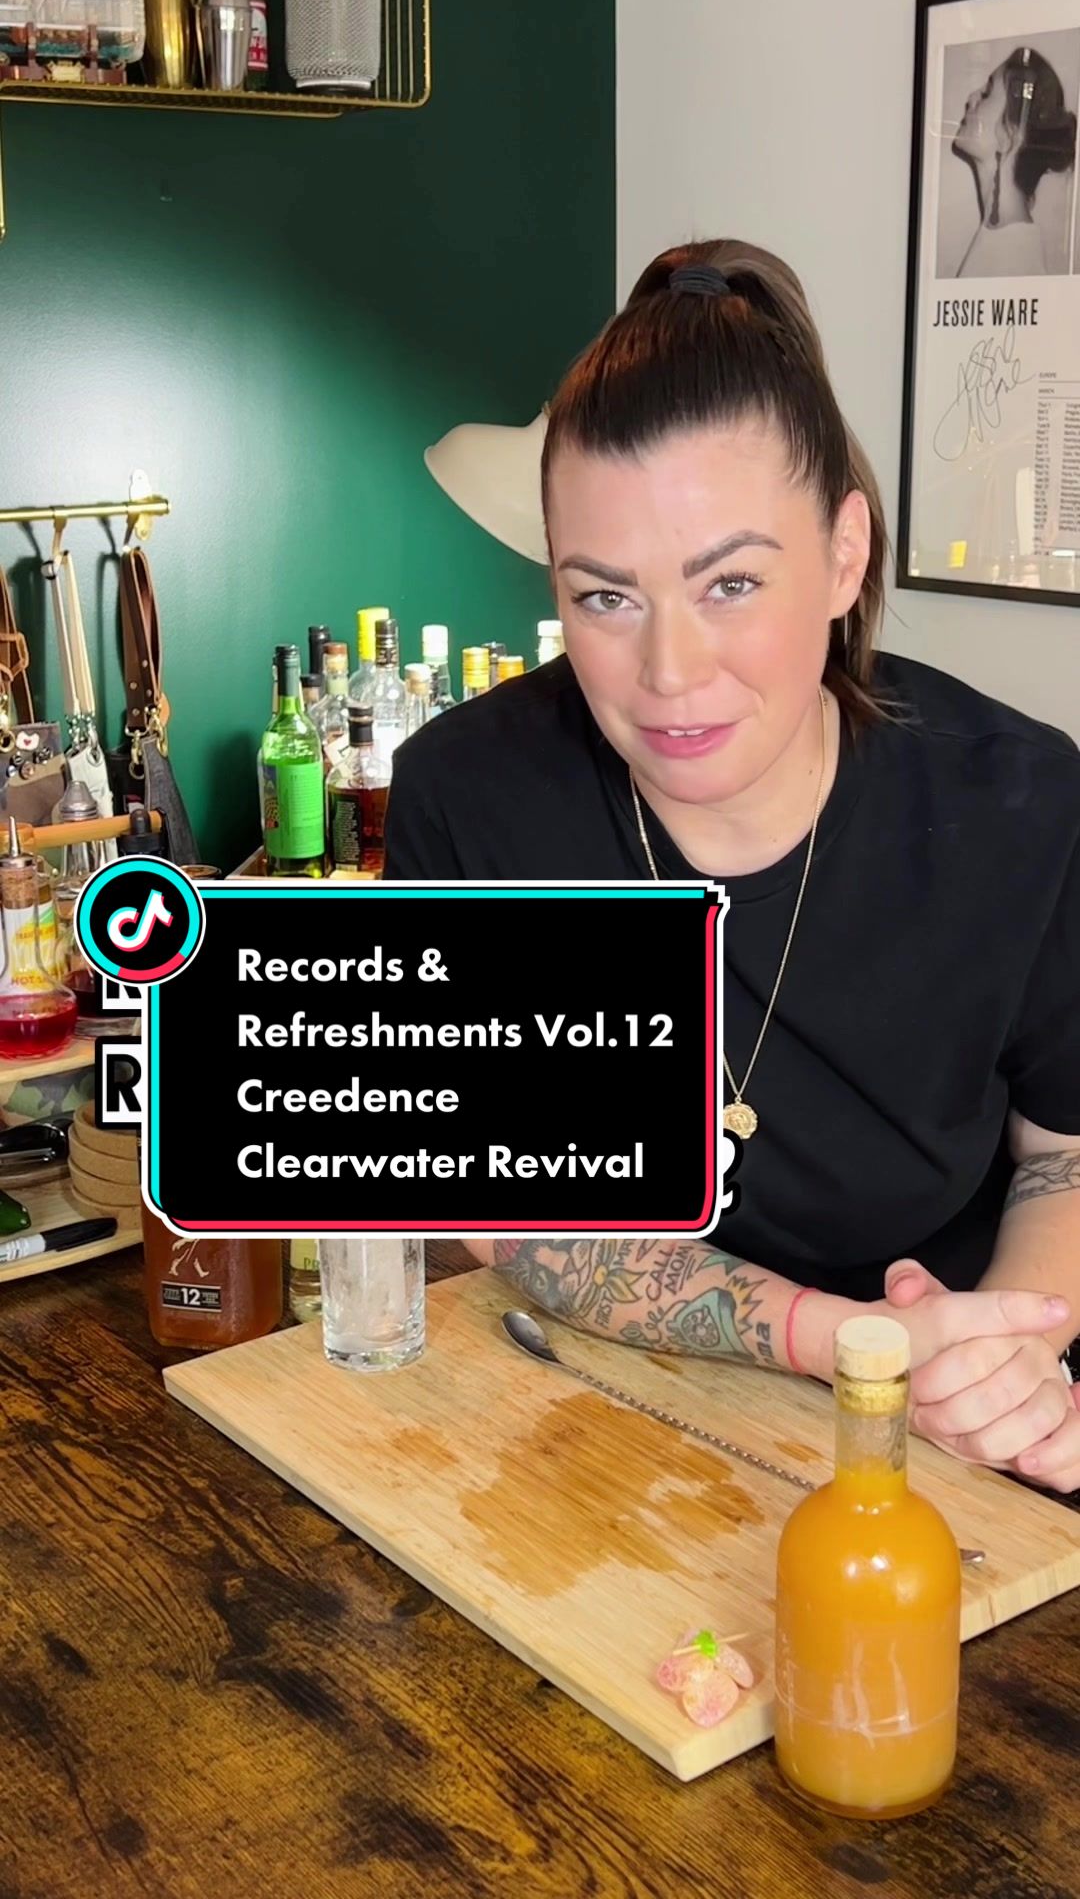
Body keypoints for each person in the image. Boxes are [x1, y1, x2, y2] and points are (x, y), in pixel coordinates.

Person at [383, 238, 1080, 1493]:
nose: (669, 674)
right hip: (595, 1406)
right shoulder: (470, 796)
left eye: (733, 583)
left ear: (845, 555)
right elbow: (507, 1216)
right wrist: (846, 1340)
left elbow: (1064, 1152)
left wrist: (1004, 1353)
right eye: (605, 598)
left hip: (950, 1435)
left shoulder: (1019, 801)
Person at [952, 45, 1077, 277]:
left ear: (1011, 134)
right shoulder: (1003, 237)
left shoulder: (1013, 257)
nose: (971, 99)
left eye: (987, 93)